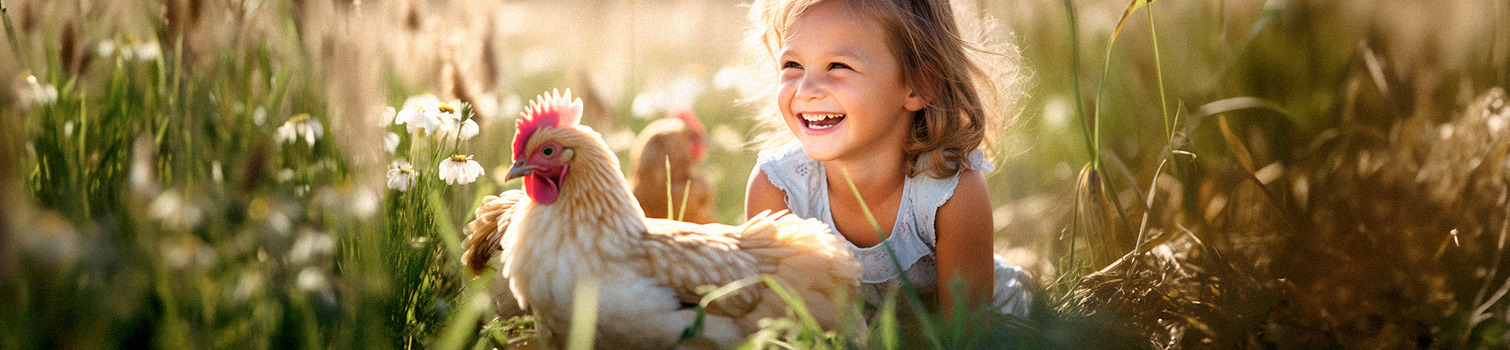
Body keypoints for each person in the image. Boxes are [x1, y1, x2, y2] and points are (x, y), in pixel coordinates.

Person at [741, 0, 1032, 318]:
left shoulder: (950, 191)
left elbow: (967, 334)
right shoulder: (778, 189)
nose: (806, 90)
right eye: (792, 65)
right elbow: (772, 322)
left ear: (918, 85)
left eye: (838, 66)